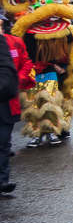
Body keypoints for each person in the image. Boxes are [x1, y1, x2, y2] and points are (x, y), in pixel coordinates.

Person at [1, 17, 32, 194]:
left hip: (7, 100)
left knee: (4, 142)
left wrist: (14, 81)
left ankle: (3, 180)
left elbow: (26, 62)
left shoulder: (14, 42)